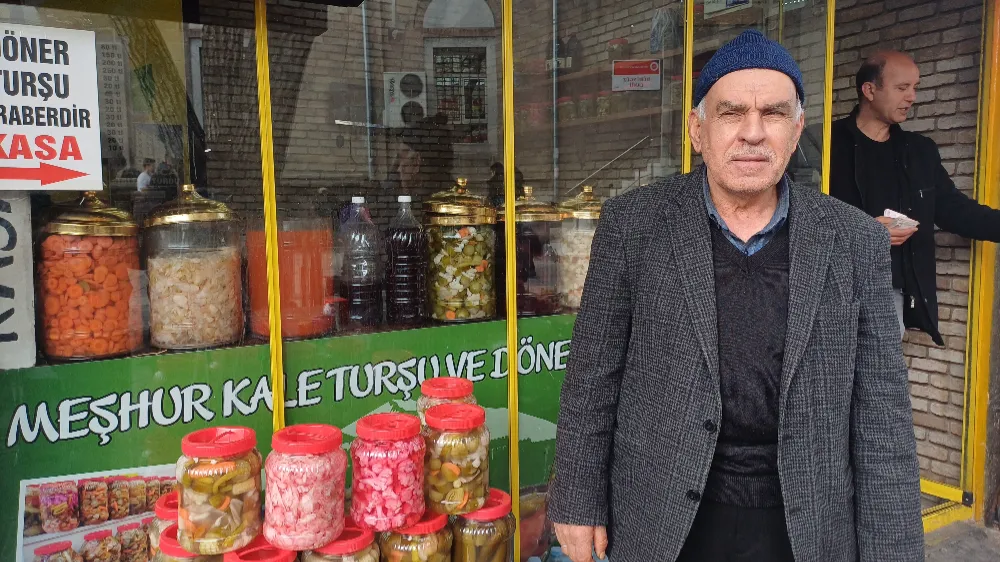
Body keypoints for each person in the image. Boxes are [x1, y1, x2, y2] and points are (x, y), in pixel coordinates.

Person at [548, 30, 922, 562]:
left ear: (796, 131)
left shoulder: (854, 240)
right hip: (660, 518)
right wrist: (577, 499)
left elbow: (883, 413)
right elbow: (592, 377)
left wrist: (895, 550)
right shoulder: (634, 224)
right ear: (697, 130)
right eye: (731, 113)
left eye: (773, 114)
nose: (753, 132)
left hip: (806, 525)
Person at [830, 51, 1000, 344]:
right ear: (869, 90)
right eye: (902, 88)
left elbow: (954, 210)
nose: (912, 97)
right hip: (830, 287)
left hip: (888, 294)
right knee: (829, 372)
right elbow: (801, 217)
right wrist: (868, 232)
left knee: (882, 373)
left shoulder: (920, 151)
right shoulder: (826, 144)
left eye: (915, 87)